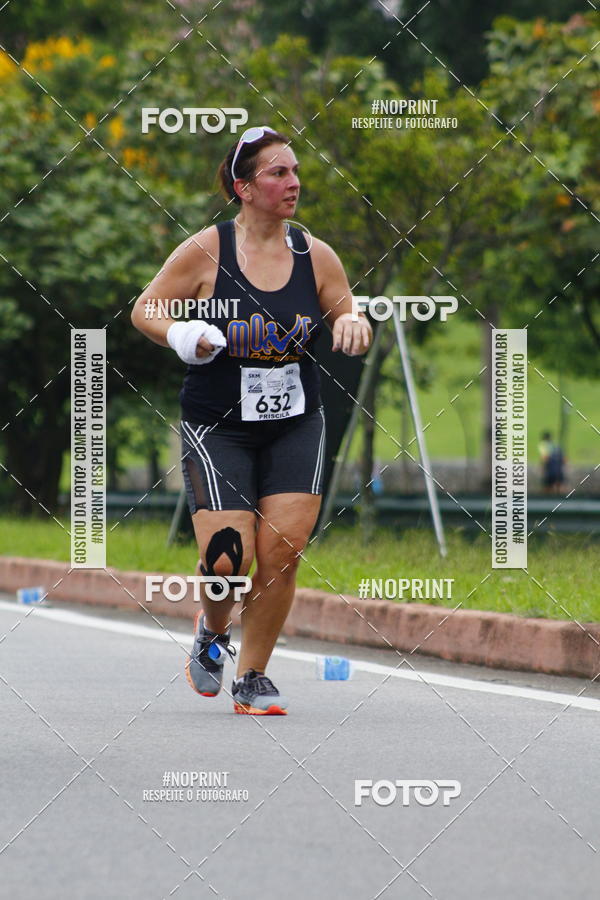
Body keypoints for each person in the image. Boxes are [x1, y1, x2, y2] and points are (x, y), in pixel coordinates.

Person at [131, 125, 372, 715]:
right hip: (219, 423)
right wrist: (183, 332)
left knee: (283, 550)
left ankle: (253, 677)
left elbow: (350, 315)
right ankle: (213, 632)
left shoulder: (314, 254)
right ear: (244, 186)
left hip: (295, 420)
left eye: (295, 171)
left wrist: (352, 325)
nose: (294, 183)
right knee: (227, 558)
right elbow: (146, 309)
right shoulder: (207, 250)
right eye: (278, 173)